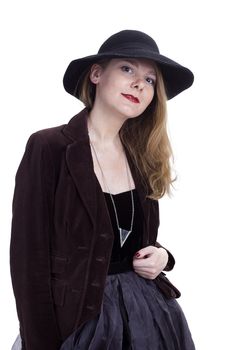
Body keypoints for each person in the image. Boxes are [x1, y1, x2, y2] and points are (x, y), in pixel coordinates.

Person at [10, 29, 195, 350]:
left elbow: (120, 240)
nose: (140, 83)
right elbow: (29, 260)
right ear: (96, 74)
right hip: (77, 321)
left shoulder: (143, 156)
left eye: (150, 80)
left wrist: (163, 256)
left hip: (149, 318)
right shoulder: (49, 146)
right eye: (127, 69)